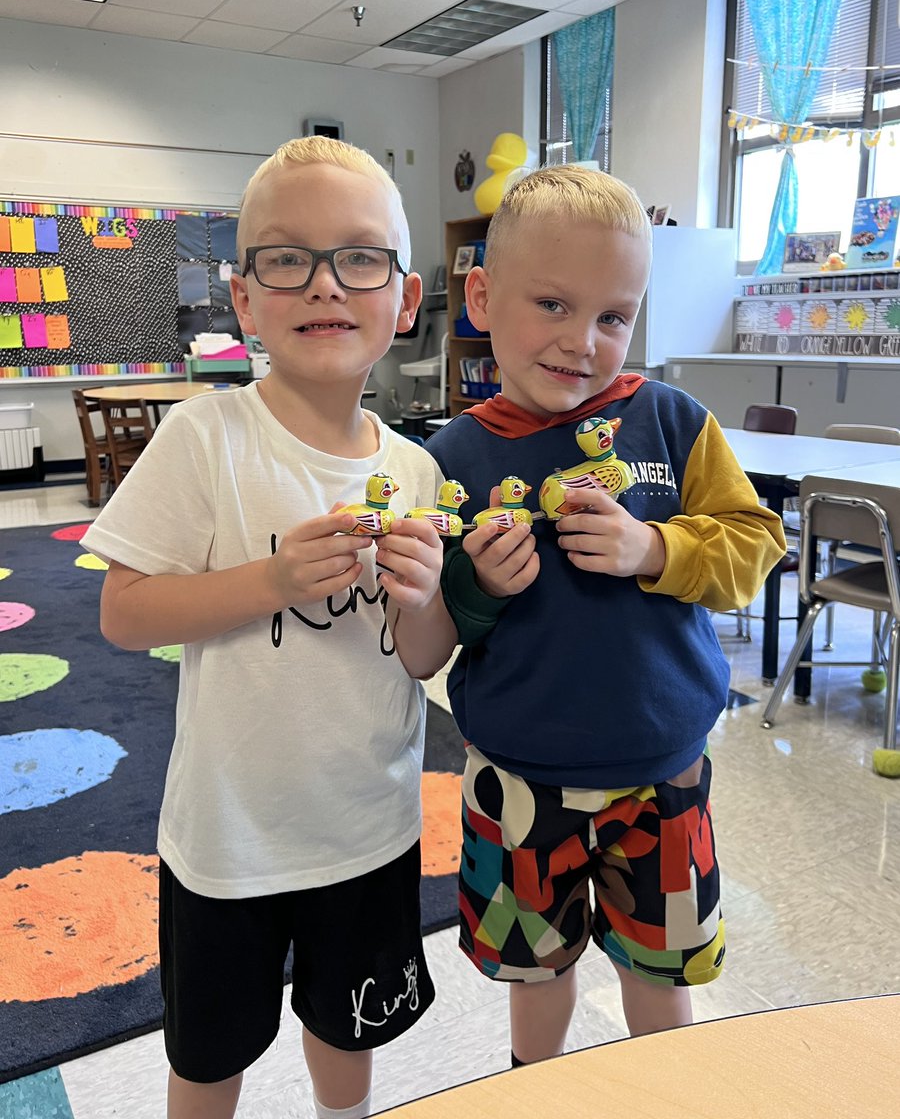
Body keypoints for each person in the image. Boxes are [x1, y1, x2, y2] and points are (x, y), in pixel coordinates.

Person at [82, 136, 457, 1119]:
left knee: (351, 1028)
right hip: (230, 839)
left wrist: (425, 600)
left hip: (369, 830)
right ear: (245, 298)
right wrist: (274, 578)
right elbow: (123, 613)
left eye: (360, 257)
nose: (326, 284)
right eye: (287, 259)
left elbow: (420, 663)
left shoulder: (417, 470)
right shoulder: (207, 437)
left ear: (404, 301)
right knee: (210, 1056)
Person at [425, 165, 786, 1067]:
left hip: (663, 775)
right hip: (517, 778)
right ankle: (534, 1086)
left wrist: (656, 551)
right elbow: (430, 627)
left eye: (613, 317)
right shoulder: (451, 456)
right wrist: (476, 589)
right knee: (536, 971)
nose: (581, 342)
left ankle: (659, 1091)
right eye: (551, 303)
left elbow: (754, 544)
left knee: (660, 973)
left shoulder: (672, 422)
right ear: (482, 296)